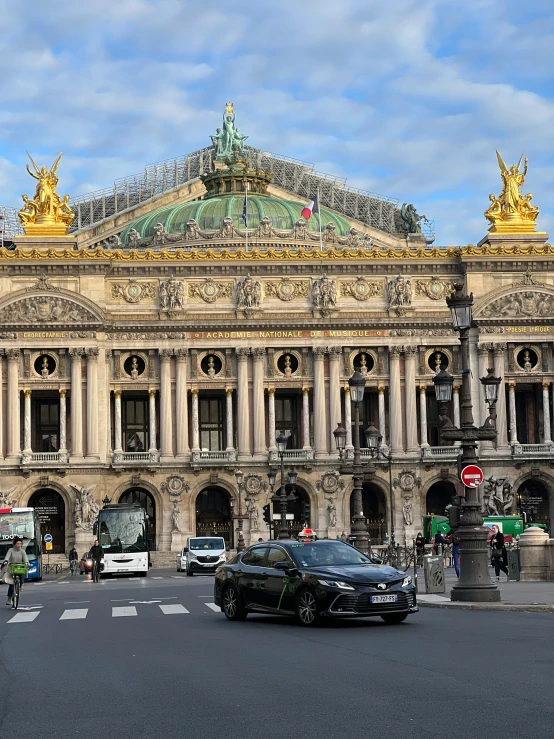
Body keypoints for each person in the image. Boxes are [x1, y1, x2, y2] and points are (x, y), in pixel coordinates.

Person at [3, 537, 29, 605]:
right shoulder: (10, 550)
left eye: (20, 543)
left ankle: (21, 584)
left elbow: (25, 558)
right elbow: (7, 557)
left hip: (20, 567)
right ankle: (9, 599)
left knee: (22, 573)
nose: (19, 545)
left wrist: (27, 562)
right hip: (12, 567)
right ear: (15, 544)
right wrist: (6, 561)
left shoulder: (22, 551)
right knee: (11, 584)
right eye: (18, 543)